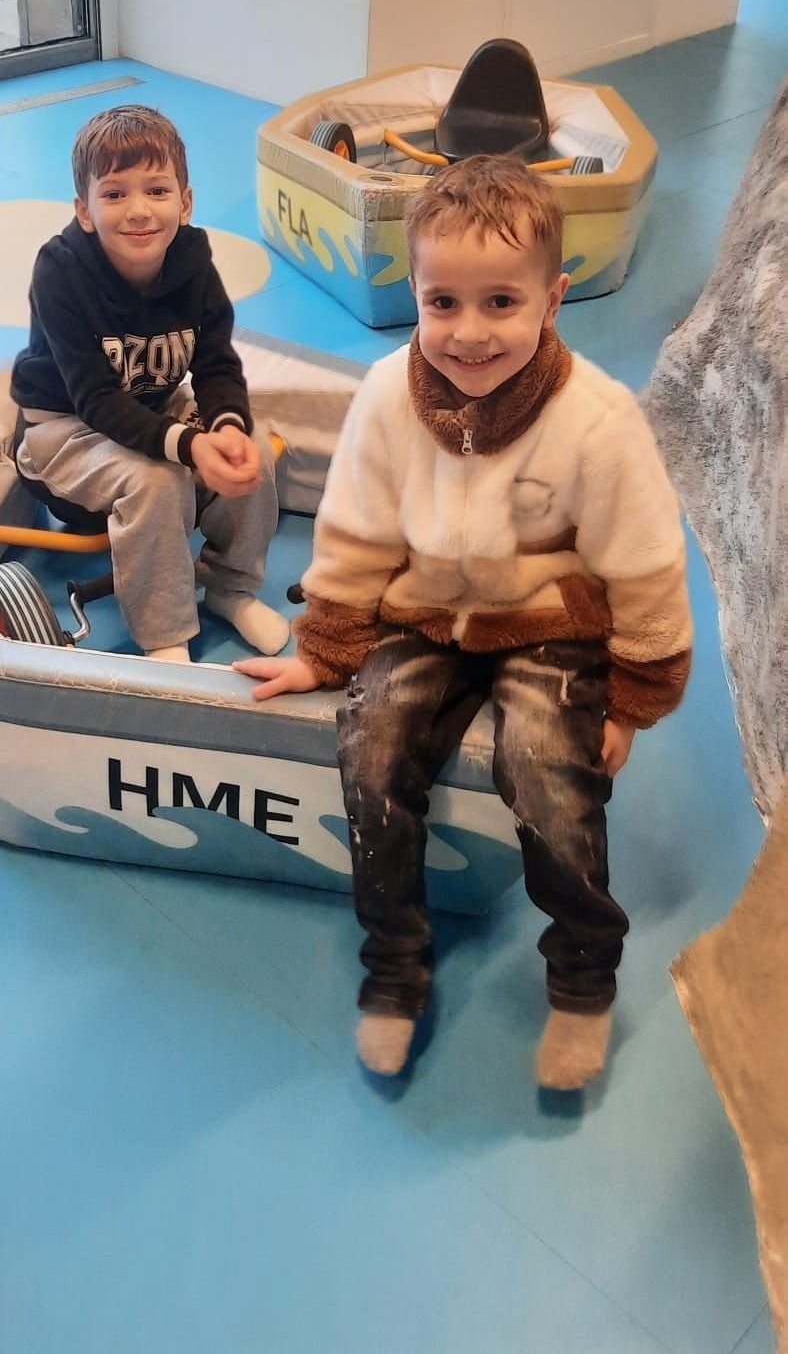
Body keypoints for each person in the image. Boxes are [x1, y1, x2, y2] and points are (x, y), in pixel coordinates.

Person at [236, 157, 691, 1086]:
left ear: (553, 300)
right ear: (415, 291)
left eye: (500, 303)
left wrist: (632, 702)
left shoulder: (598, 420)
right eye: (443, 302)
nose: (469, 332)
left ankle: (581, 979)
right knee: (369, 750)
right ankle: (395, 970)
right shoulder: (384, 398)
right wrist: (326, 647)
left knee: (545, 770)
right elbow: (356, 530)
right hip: (425, 611)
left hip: (546, 622)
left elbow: (644, 564)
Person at [11, 103, 289, 665]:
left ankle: (231, 589)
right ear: (84, 211)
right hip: (66, 430)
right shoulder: (60, 272)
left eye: (157, 191)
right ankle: (164, 633)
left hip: (155, 406)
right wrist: (188, 446)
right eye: (114, 194)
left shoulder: (193, 265)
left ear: (185, 203)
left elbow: (215, 364)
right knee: (156, 482)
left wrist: (225, 427)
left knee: (251, 449)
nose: (138, 211)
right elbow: (94, 398)